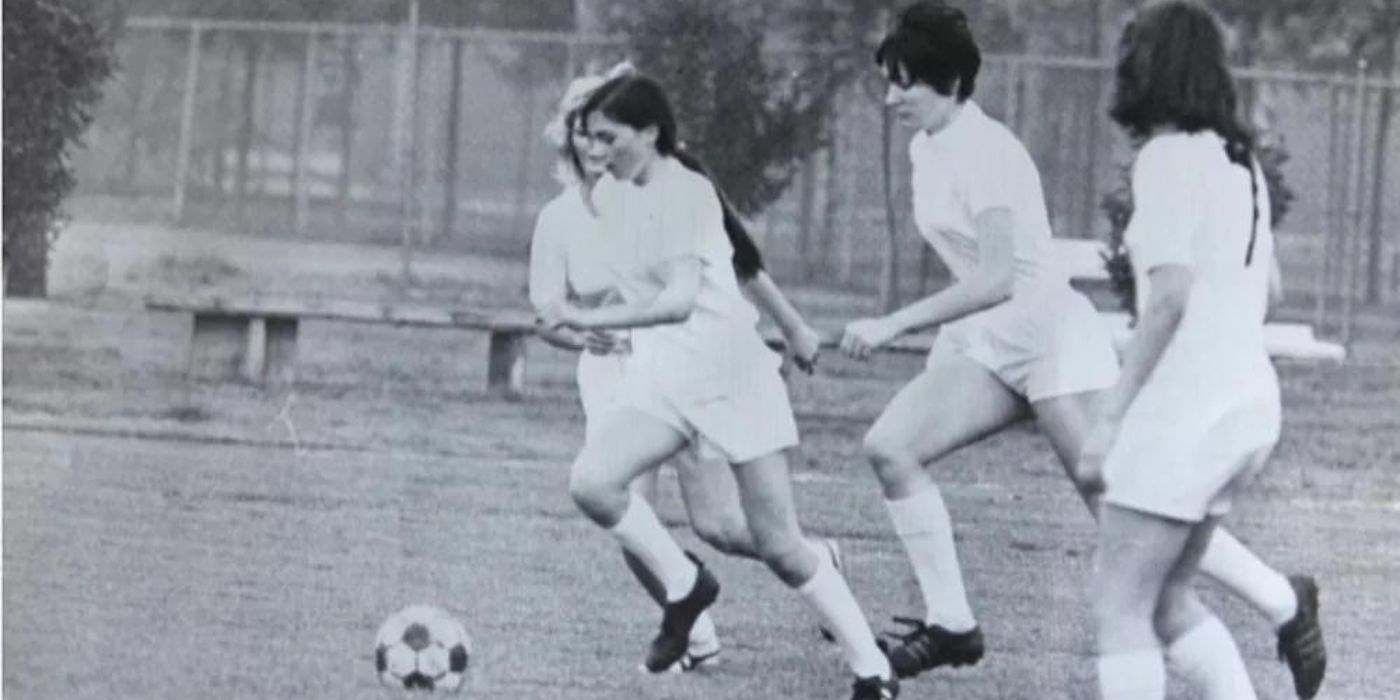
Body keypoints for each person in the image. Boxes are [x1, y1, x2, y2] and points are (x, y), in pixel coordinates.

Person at [841, 3, 1324, 695]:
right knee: (890, 446)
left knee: (1129, 551)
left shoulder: (992, 151)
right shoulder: (927, 149)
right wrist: (946, 349)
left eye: (905, 83)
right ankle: (951, 622)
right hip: (996, 342)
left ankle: (1281, 598)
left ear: (948, 82)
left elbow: (1003, 276)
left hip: (1051, 343)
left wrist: (895, 324)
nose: (892, 98)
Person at [537, 74, 897, 697]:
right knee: (593, 483)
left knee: (778, 546)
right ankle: (686, 590)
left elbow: (678, 302)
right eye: (589, 139)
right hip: (664, 382)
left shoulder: (690, 193)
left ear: (649, 133)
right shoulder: (616, 197)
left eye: (608, 138)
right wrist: (568, 323)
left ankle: (873, 669)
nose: (596, 151)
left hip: (730, 378)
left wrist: (586, 317)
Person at [1079, 3, 1325, 698]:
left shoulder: (1164, 158)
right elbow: (1267, 286)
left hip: (1188, 409)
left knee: (1118, 602)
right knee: (1166, 601)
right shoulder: (1240, 162)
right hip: (1248, 404)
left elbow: (1170, 296)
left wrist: (1109, 416)